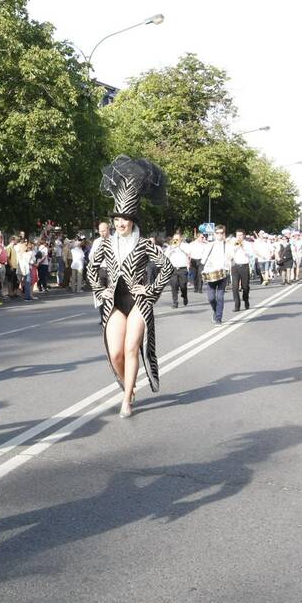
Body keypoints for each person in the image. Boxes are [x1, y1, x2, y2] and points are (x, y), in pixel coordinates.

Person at [87, 156, 173, 418]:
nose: (119, 223)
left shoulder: (146, 244)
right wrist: (99, 289)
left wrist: (150, 290)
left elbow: (167, 268)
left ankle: (127, 400)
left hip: (138, 303)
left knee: (131, 347)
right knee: (115, 354)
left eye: (124, 219)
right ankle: (128, 384)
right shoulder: (104, 244)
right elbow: (91, 269)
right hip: (114, 302)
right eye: (116, 219)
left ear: (133, 219)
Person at [200, 225, 232, 325]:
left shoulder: (228, 245)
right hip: (211, 273)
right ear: (214, 234)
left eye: (221, 233)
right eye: (217, 233)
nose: (219, 235)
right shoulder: (210, 245)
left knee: (220, 297)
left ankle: (218, 318)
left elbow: (231, 258)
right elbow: (203, 259)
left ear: (224, 234)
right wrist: (205, 267)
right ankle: (216, 311)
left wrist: (228, 260)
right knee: (211, 298)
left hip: (223, 273)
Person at [164, 231, 190, 308]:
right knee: (174, 285)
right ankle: (175, 302)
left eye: (177, 239)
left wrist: (180, 246)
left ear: (181, 239)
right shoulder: (170, 246)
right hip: (173, 269)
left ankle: (184, 296)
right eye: (174, 239)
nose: (175, 240)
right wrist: (172, 248)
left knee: (183, 286)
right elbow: (165, 256)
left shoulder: (185, 245)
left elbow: (189, 252)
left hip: (183, 268)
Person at [230, 229, 252, 311]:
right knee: (234, 287)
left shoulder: (248, 244)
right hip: (235, 266)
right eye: (237, 235)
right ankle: (237, 305)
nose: (239, 237)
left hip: (244, 266)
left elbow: (251, 254)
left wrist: (243, 248)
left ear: (244, 235)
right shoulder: (233, 244)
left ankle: (245, 299)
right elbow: (230, 254)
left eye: (240, 235)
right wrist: (236, 247)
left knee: (245, 286)